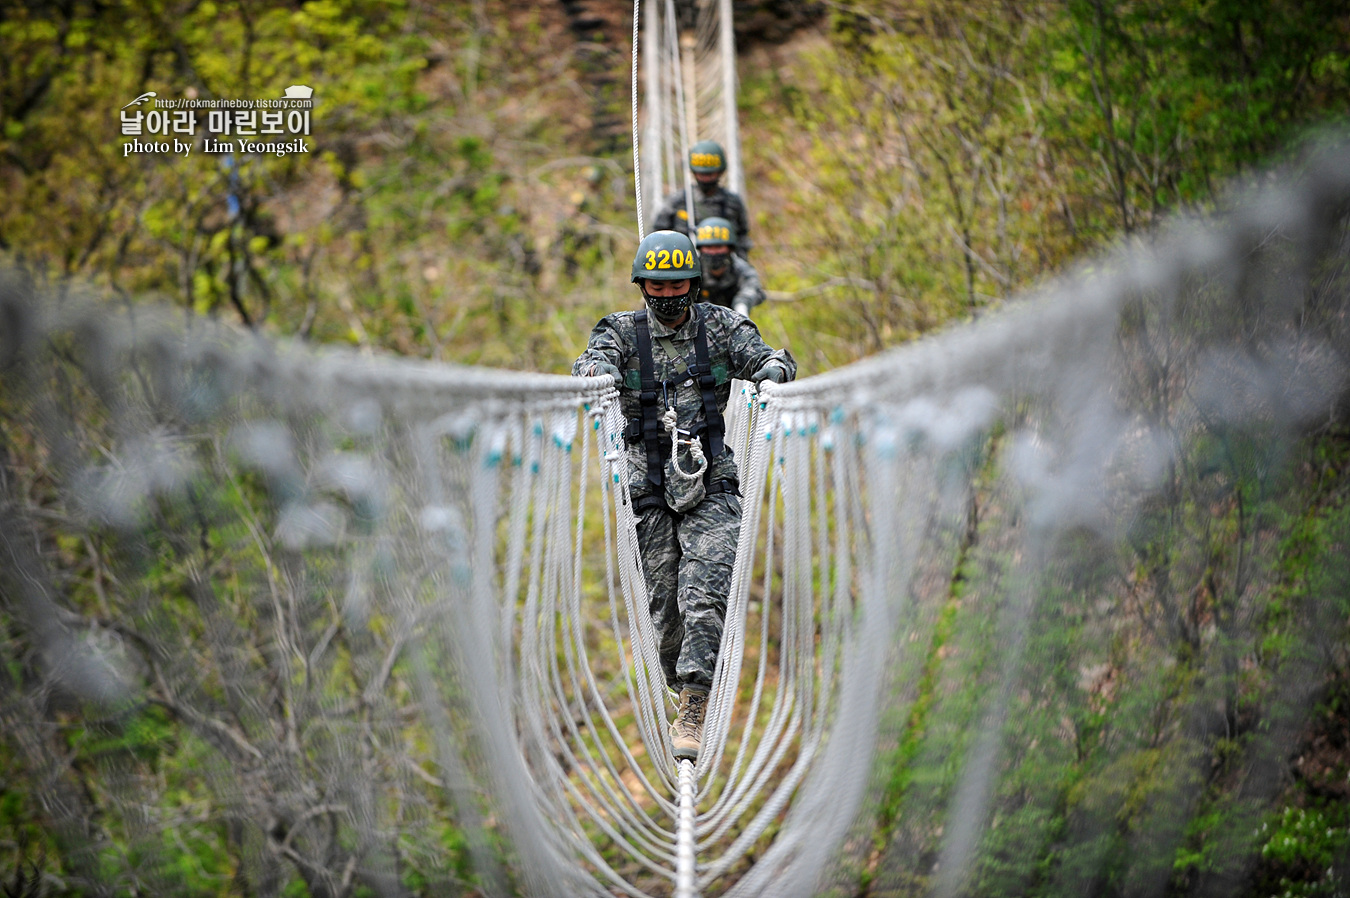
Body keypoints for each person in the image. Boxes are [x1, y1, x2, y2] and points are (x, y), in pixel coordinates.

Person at [573, 230, 795, 760]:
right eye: (657, 285)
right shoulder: (622, 333)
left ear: (693, 285)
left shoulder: (721, 328)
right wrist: (598, 376)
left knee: (705, 592)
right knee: (665, 608)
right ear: (641, 285)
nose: (668, 296)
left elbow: (767, 359)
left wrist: (773, 375)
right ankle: (680, 680)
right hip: (646, 485)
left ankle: (695, 699)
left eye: (677, 285)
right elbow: (589, 361)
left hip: (711, 481)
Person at [652, 140, 752, 258]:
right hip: (686, 267)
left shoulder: (732, 202)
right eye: (702, 174)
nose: (706, 179)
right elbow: (657, 236)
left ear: (720, 172)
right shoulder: (677, 202)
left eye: (710, 174)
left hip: (724, 270)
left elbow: (742, 236)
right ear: (694, 173)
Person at [693, 217, 764, 317]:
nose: (713, 252)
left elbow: (752, 288)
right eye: (708, 247)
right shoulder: (693, 270)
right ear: (701, 249)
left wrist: (741, 305)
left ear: (729, 249)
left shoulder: (741, 269)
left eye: (718, 247)